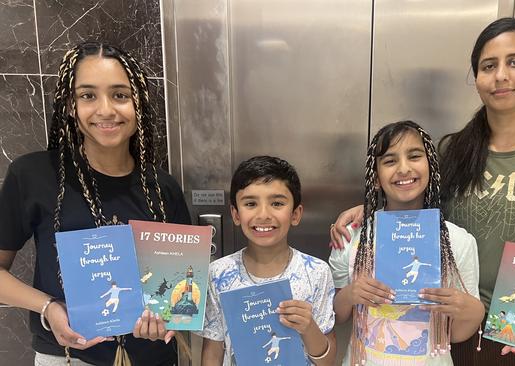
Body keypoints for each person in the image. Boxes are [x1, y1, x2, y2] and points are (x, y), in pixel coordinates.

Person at [330, 18, 515, 365]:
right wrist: (369, 209)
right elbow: (412, 196)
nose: (501, 76)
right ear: (477, 80)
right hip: (451, 330)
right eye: (488, 66)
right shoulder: (452, 150)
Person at [0, 41, 191, 366]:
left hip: (153, 359)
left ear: (138, 103)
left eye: (120, 95)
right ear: (70, 106)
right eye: (88, 95)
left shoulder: (163, 188)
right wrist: (49, 308)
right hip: (67, 357)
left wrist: (166, 323)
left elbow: (176, 296)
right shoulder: (33, 176)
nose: (105, 110)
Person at [329, 121, 484, 366]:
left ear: (431, 167)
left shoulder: (458, 242)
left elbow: (458, 334)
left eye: (414, 156)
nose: (403, 168)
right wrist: (351, 294)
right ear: (376, 178)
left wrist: (471, 309)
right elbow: (336, 316)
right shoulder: (352, 238)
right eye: (390, 161)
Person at [199, 156, 336, 365]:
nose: (263, 214)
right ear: (235, 214)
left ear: (296, 214)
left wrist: (309, 327)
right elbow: (213, 351)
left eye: (277, 203)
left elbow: (327, 361)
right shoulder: (217, 274)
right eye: (251, 203)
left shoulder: (317, 272)